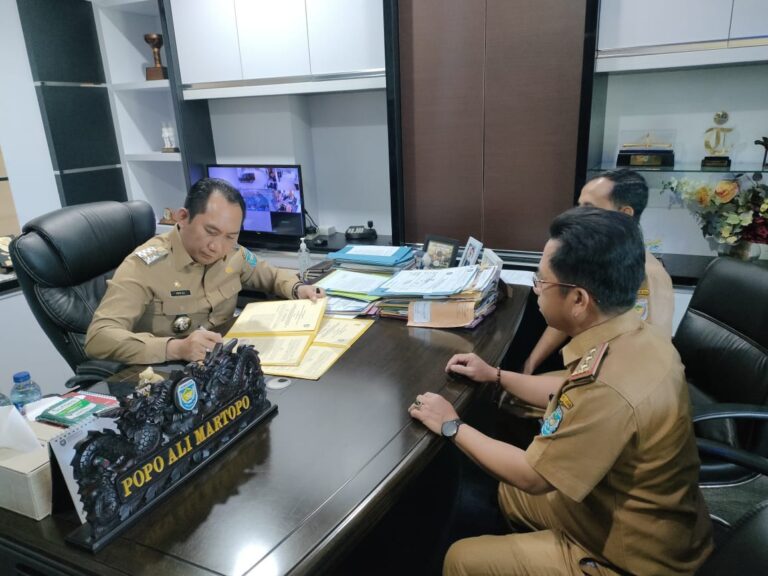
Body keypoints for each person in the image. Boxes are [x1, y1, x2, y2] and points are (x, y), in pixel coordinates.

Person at [409, 207, 712, 575]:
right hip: (630, 508)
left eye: (542, 281)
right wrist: (496, 375)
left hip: (634, 556)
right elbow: (566, 391)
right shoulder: (635, 334)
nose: (537, 290)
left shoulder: (607, 385)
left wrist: (451, 424)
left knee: (460, 558)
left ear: (579, 300)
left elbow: (531, 476)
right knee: (506, 494)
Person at [85, 178, 324, 365]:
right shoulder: (144, 266)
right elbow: (99, 337)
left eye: (230, 236)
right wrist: (175, 348)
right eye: (210, 232)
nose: (217, 247)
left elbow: (269, 274)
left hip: (221, 361)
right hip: (169, 372)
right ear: (183, 217)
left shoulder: (233, 253)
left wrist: (298, 288)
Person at [523, 168, 674, 376]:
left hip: (612, 376)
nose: (578, 215)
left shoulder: (647, 272)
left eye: (589, 208)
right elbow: (569, 310)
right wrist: (530, 364)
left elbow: (645, 361)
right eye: (579, 206)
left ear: (625, 214)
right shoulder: (600, 255)